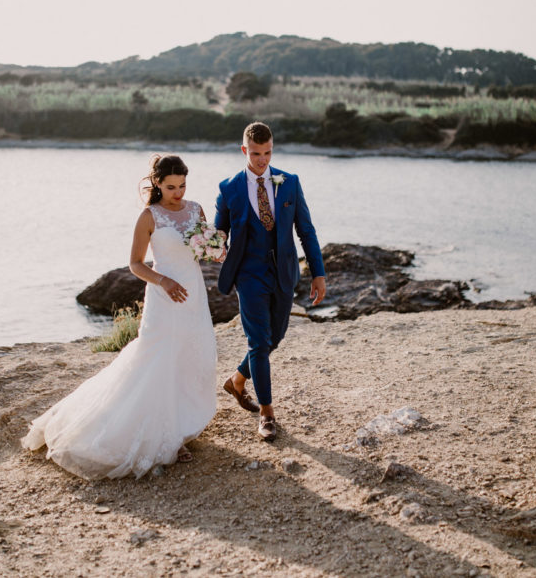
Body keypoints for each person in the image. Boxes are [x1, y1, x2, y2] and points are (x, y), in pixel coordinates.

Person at [21, 155, 219, 478]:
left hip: (193, 293)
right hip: (163, 295)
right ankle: (168, 438)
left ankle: (182, 427)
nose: (178, 192)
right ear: (157, 184)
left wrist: (215, 248)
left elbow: (200, 249)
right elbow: (136, 264)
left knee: (190, 354)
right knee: (159, 359)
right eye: (171, 187)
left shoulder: (195, 210)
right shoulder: (148, 217)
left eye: (182, 185)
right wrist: (164, 281)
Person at [215, 122, 326, 441]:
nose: (262, 160)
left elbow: (306, 230)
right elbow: (220, 233)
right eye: (255, 154)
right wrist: (212, 245)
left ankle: (237, 379)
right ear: (244, 151)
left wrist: (318, 272)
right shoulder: (229, 188)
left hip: (284, 273)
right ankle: (266, 414)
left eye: (267, 153)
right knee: (258, 342)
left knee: (274, 338)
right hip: (248, 275)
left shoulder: (289, 182)